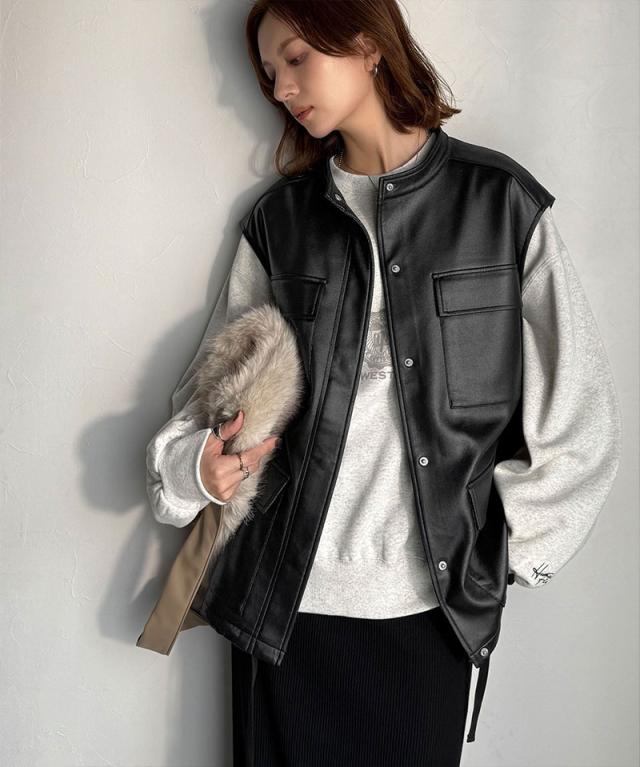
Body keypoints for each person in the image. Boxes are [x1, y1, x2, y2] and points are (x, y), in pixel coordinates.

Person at [144, 1, 622, 765]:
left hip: (425, 616)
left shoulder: (499, 205)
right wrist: (193, 467)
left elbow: (582, 418)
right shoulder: (281, 224)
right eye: (268, 73)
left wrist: (502, 552)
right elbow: (195, 414)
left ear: (367, 45)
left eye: (296, 58)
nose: (281, 88)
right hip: (282, 613)